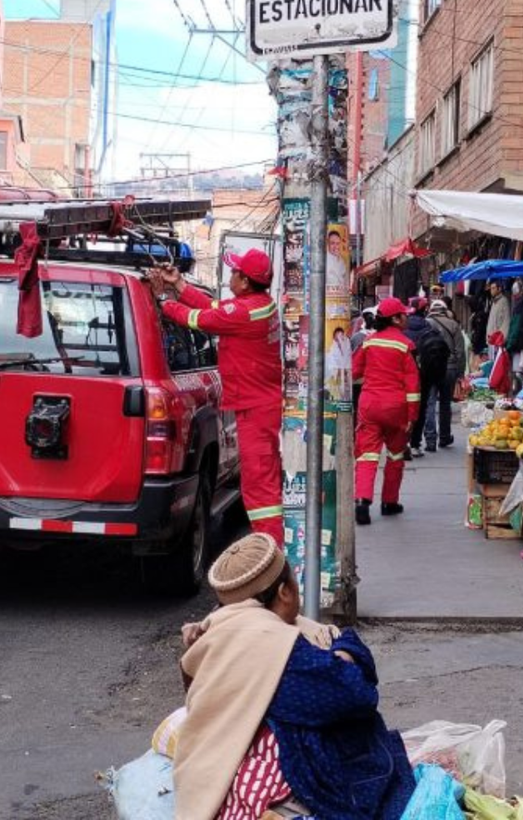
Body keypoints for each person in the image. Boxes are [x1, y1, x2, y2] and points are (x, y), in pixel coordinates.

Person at [172, 534, 416, 820]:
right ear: (285, 592)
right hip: (266, 779)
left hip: (203, 774)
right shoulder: (276, 646)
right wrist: (345, 652)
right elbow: (358, 695)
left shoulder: (212, 632)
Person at [151, 249, 284, 545]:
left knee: (260, 488)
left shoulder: (244, 313)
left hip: (255, 410)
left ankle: (271, 553)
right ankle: (271, 547)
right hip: (260, 406)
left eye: (235, 272)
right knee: (262, 481)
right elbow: (215, 307)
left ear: (245, 282)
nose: (230, 277)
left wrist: (163, 300)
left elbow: (199, 318)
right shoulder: (257, 305)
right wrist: (179, 284)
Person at [351, 298, 420, 526]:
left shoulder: (368, 342)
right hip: (396, 408)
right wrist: (412, 416)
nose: (407, 317)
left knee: (367, 456)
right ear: (395, 319)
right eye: (404, 314)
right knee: (395, 455)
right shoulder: (405, 345)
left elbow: (354, 371)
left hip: (370, 405)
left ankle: (362, 502)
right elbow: (412, 386)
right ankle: (389, 502)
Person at [403, 297, 450, 458]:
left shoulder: (402, 328)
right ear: (425, 310)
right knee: (421, 409)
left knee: (402, 409)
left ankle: (401, 442)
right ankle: (415, 444)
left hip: (404, 375)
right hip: (424, 374)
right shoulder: (429, 327)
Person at [425, 299, 465, 449]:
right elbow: (460, 352)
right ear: (445, 310)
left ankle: (430, 439)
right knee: (445, 403)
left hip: (430, 368)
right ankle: (444, 437)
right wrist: (460, 373)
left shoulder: (425, 324)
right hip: (449, 368)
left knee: (429, 402)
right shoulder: (454, 325)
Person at [326, 327, 353, 403]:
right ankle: (337, 397)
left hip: (346, 366)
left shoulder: (347, 343)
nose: (339, 336)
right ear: (334, 336)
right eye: (337, 334)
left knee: (348, 373)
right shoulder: (333, 346)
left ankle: (348, 397)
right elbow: (333, 361)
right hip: (335, 368)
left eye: (341, 334)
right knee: (337, 373)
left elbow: (348, 355)